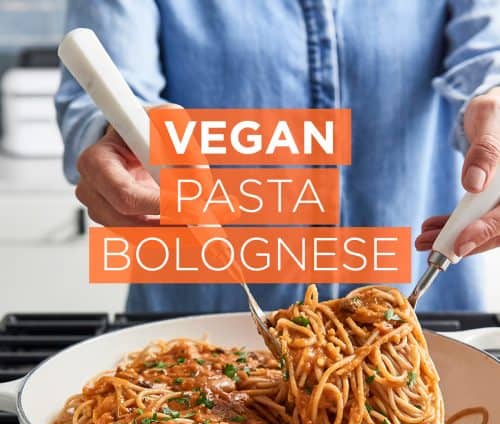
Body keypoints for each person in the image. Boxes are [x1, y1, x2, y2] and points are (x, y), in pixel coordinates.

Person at [55, 0, 500, 313]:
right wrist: (114, 136)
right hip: (195, 320)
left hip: (430, 314)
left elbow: (488, 55)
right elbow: (107, 90)